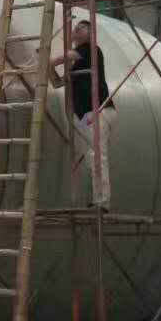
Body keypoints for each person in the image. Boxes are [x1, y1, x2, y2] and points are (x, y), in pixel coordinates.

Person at [50, 19, 116, 210]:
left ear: (91, 33)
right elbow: (57, 83)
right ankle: (95, 199)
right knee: (91, 158)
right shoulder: (77, 65)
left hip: (98, 110)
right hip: (87, 114)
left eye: (81, 28)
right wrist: (48, 68)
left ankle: (102, 201)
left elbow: (65, 56)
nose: (76, 30)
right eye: (75, 29)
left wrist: (48, 60)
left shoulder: (91, 49)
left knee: (97, 155)